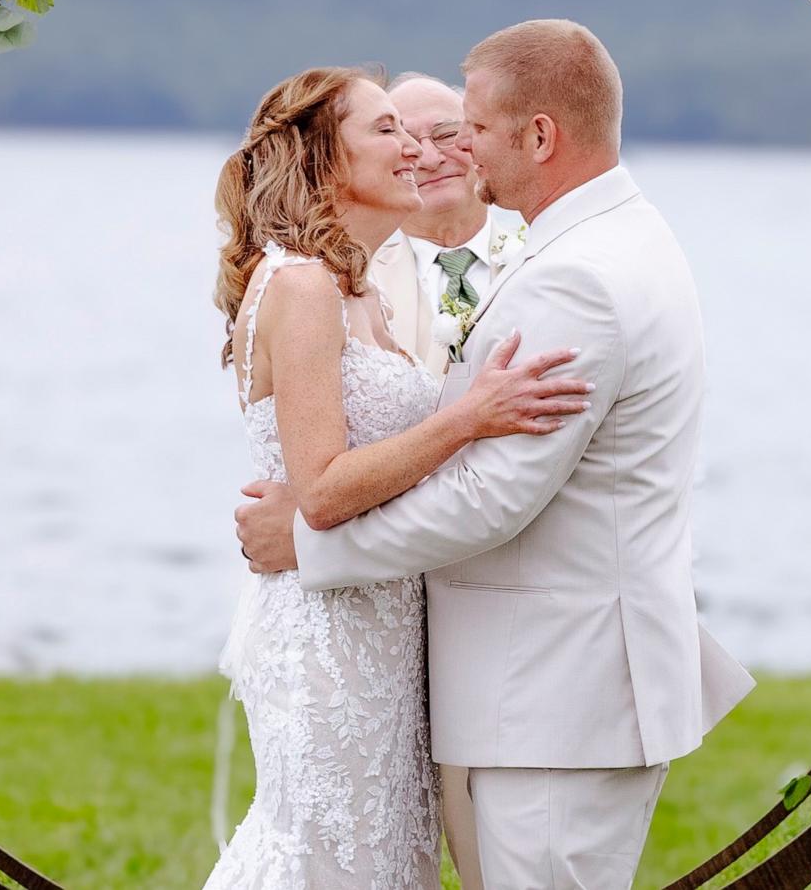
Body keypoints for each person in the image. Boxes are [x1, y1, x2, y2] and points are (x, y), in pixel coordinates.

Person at [235, 22, 757, 888]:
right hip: (538, 691)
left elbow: (491, 499)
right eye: (396, 130)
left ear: (540, 135)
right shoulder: (616, 238)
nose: (447, 148)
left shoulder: (576, 278)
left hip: (556, 699)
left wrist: (311, 544)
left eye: (471, 127)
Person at [204, 65, 593, 888]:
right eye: (387, 130)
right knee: (327, 856)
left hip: (384, 623)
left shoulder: (358, 291)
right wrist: (470, 417)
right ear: (322, 156)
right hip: (328, 634)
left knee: (384, 858)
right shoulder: (303, 285)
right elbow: (323, 489)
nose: (416, 147)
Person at [371, 73, 526, 376]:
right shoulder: (356, 280)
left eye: (446, 134)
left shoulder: (539, 257)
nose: (429, 158)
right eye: (408, 143)